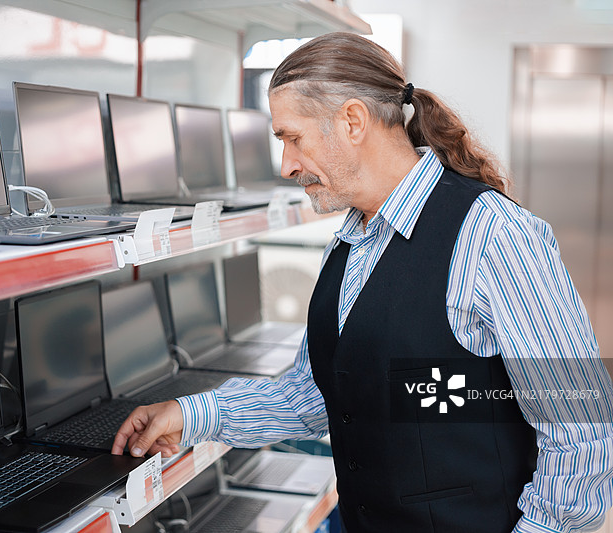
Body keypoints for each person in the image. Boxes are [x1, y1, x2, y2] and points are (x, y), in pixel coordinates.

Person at [112, 32, 613, 533]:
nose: (287, 164)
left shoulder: (495, 236)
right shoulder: (352, 241)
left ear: (352, 121)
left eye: (292, 138)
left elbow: (581, 431)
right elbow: (311, 397)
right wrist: (188, 414)